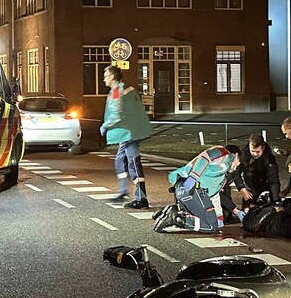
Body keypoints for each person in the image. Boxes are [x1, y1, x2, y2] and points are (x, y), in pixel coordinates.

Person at [153, 145, 241, 233]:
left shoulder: (219, 174)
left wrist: (219, 216)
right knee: (211, 226)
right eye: (238, 163)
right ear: (236, 155)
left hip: (182, 189)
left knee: (206, 220)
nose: (236, 167)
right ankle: (176, 218)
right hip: (192, 189)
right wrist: (193, 177)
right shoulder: (224, 153)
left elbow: (215, 196)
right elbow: (205, 157)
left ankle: (166, 212)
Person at [100, 65, 153, 208]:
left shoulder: (117, 92)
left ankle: (141, 199)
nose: (104, 79)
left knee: (133, 163)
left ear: (112, 77)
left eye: (105, 76)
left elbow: (117, 114)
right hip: (128, 132)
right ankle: (123, 191)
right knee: (119, 160)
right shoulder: (123, 90)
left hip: (129, 133)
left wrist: (106, 125)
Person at [221, 134, 281, 223]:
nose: (255, 154)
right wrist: (242, 188)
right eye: (252, 151)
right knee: (247, 214)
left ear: (263, 148)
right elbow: (236, 173)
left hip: (265, 186)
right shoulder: (244, 155)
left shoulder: (269, 159)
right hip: (249, 187)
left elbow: (274, 180)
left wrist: (276, 201)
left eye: (258, 152)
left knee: (266, 215)